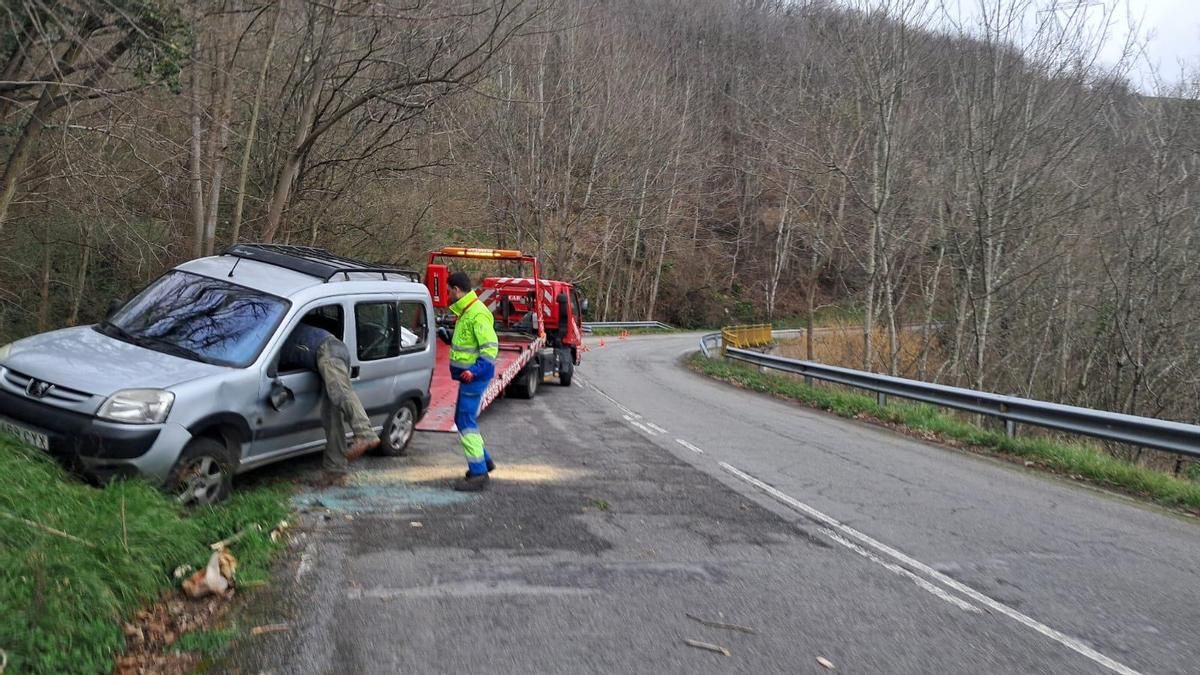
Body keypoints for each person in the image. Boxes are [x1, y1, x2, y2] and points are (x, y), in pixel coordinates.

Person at [281, 322, 380, 481]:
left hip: (327, 350)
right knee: (332, 418)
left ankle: (365, 434)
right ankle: (335, 470)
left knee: (340, 392)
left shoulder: (275, 335)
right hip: (333, 350)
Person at [441, 271, 499, 491]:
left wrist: (474, 371)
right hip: (470, 377)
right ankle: (484, 462)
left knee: (465, 422)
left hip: (474, 378)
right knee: (463, 419)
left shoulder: (477, 313)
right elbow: (468, 344)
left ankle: (478, 473)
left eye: (449, 291)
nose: (448, 295)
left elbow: (490, 349)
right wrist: (449, 339)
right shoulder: (467, 312)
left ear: (457, 289)